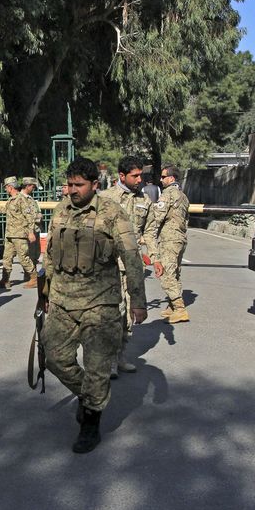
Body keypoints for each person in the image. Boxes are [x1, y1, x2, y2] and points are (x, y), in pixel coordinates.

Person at [41, 158, 147, 453]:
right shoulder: (61, 209)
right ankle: (90, 397)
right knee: (53, 357)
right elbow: (50, 253)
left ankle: (90, 423)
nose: (72, 190)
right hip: (62, 300)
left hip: (100, 302)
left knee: (97, 367)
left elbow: (131, 257)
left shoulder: (113, 212)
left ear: (94, 185)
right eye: (69, 184)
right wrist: (45, 292)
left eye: (78, 185)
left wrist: (138, 301)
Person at [100, 158, 159, 377]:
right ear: (122, 176)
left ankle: (120, 355)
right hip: (109, 266)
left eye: (140, 175)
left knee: (130, 315)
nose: (139, 179)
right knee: (114, 312)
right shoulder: (105, 199)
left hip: (132, 267)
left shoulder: (144, 199)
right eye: (134, 175)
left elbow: (150, 231)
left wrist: (155, 257)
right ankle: (109, 360)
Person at [151, 164, 190, 323]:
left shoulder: (168, 194)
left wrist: (147, 233)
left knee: (166, 273)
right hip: (180, 238)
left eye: (163, 177)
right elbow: (186, 219)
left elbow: (158, 216)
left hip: (169, 239)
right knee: (175, 272)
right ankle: (171, 305)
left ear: (171, 178)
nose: (160, 180)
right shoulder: (183, 196)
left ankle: (179, 308)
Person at [0, 177, 39, 290]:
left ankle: (34, 278)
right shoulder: (11, 200)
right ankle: (5, 280)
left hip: (20, 235)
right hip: (10, 234)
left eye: (6, 188)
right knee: (7, 258)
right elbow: (5, 210)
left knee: (23, 257)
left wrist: (31, 232)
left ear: (10, 187)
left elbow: (29, 217)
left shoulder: (21, 199)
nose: (5, 190)